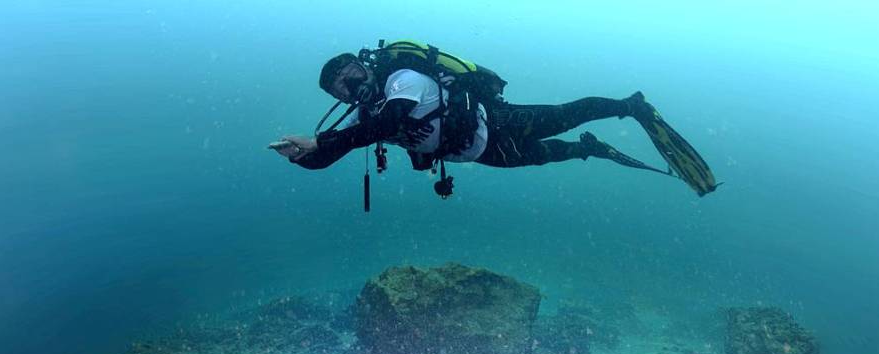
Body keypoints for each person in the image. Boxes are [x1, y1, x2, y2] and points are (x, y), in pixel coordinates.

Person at [269, 49, 717, 197]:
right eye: (340, 93)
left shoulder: (404, 80)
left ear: (366, 68)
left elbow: (388, 124)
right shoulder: (366, 116)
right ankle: (590, 148)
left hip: (498, 122)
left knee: (563, 114)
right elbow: (339, 148)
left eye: (352, 80)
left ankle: (630, 106)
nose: (350, 94)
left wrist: (320, 139)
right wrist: (302, 157)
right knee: (543, 158)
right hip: (480, 153)